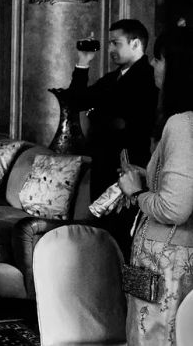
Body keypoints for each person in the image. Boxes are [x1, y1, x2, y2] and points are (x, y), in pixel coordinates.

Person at [118, 26, 193, 345]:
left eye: (159, 59)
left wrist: (136, 193)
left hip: (167, 260)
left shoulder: (182, 124)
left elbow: (174, 208)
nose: (153, 65)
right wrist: (149, 178)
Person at [65, 19, 158, 258]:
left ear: (136, 43)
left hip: (128, 168)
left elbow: (133, 125)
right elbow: (76, 102)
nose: (110, 50)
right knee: (103, 239)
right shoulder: (112, 78)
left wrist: (100, 115)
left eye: (116, 43)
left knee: (121, 239)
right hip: (102, 165)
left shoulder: (150, 78)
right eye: (109, 44)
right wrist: (83, 62)